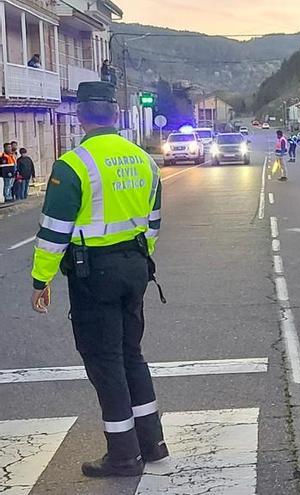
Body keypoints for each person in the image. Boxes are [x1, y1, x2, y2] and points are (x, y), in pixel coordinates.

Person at [30, 81, 167, 477]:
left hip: (95, 274)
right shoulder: (144, 160)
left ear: (81, 115)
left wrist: (41, 279)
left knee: (104, 362)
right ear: (115, 114)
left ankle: (123, 455)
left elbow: (54, 232)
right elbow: (154, 221)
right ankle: (152, 443)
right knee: (131, 354)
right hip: (135, 267)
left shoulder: (73, 164)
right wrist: (139, 258)